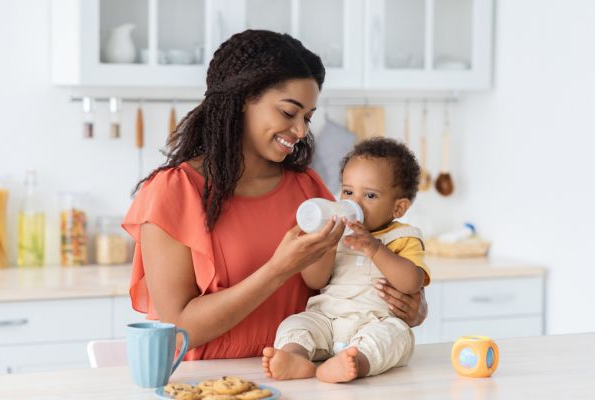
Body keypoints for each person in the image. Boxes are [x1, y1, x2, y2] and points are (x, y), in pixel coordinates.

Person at [122, 30, 427, 361]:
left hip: (307, 377)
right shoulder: (174, 192)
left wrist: (413, 305)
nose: (301, 131)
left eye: (307, 117)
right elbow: (178, 329)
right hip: (213, 386)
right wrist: (278, 269)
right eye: (288, 112)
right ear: (241, 99)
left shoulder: (307, 188)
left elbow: (351, 277)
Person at [263, 137, 430, 383]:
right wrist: (326, 246)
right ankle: (295, 357)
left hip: (374, 322)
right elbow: (314, 280)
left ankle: (355, 362)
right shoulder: (337, 234)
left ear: (398, 208)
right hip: (328, 320)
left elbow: (411, 283)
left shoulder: (403, 237)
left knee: (396, 335)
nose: (354, 203)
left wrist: (374, 249)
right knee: (295, 323)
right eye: (348, 191)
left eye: (370, 195)